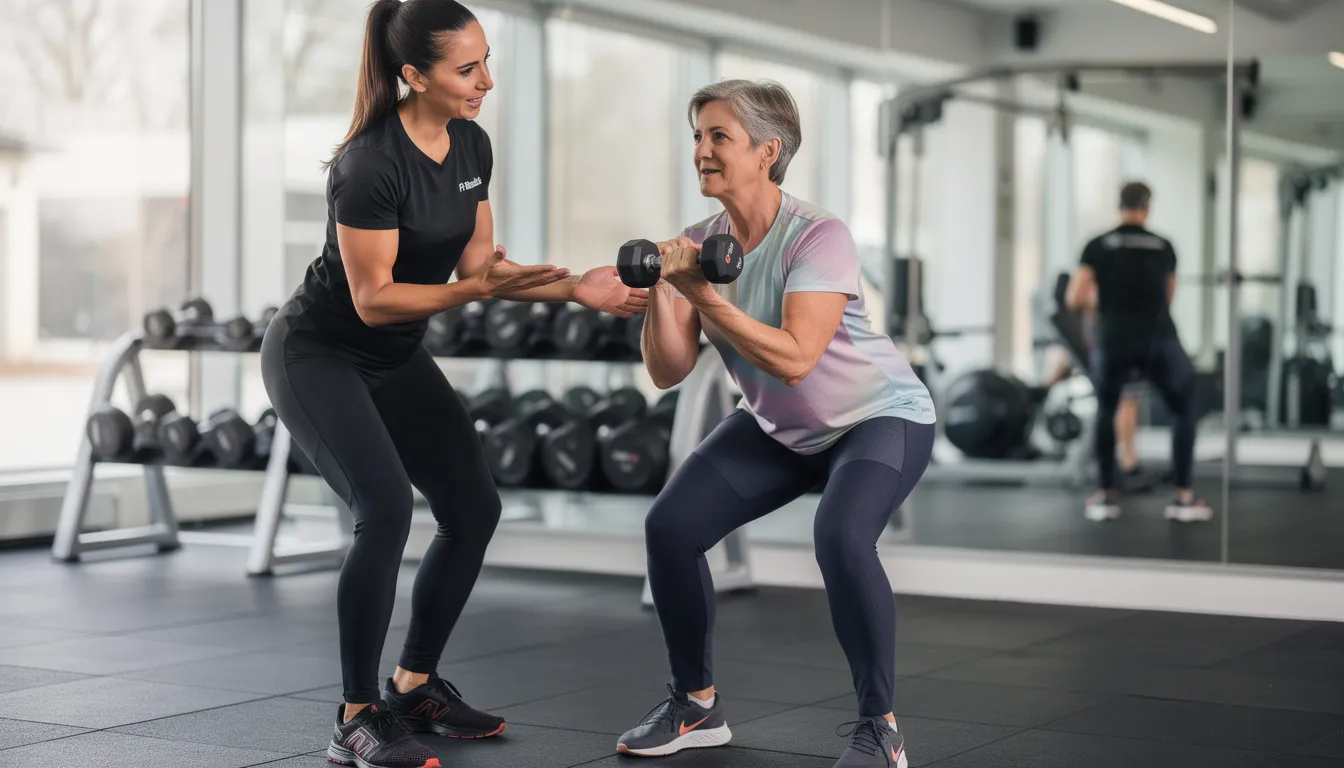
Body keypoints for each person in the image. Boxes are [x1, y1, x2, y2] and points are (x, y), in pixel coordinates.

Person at [259, 2, 647, 766]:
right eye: (467, 69)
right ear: (414, 75)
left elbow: (478, 270)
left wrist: (577, 289)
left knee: (472, 506)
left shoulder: (470, 142)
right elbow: (374, 297)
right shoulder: (368, 164)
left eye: (486, 61)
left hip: (394, 354)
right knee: (385, 510)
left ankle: (413, 685)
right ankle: (355, 715)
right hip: (320, 354)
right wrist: (476, 295)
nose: (487, 81)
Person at [614, 79, 936, 768]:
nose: (700, 150)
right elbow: (668, 371)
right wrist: (661, 296)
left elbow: (794, 359)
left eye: (717, 137)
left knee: (843, 537)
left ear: (768, 151)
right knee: (670, 530)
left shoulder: (818, 236)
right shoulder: (699, 243)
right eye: (696, 136)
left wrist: (701, 292)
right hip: (778, 430)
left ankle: (880, 729)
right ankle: (695, 706)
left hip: (876, 417)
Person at [1065, 181, 1210, 523]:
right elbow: (1169, 296)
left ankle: (1103, 496)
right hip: (1157, 338)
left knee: (1106, 410)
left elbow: (1074, 298)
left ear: (1119, 206)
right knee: (1184, 407)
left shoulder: (1097, 245)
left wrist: (1100, 305)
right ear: (1147, 207)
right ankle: (1183, 498)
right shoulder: (1163, 246)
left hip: (1113, 337)